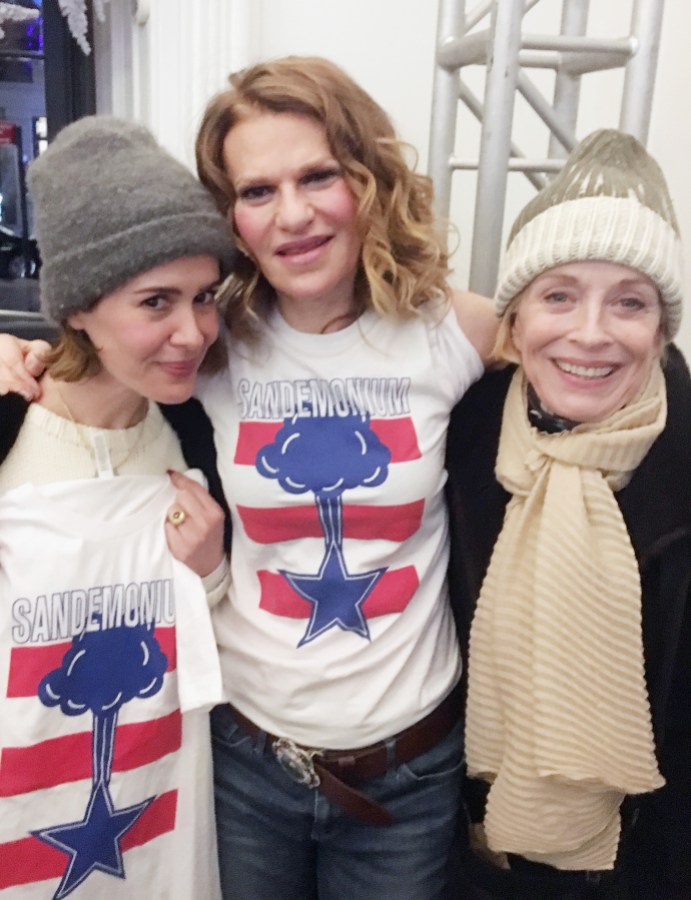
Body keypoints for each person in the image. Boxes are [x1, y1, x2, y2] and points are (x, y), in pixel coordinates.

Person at [1, 57, 498, 899]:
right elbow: (113, 335)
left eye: (317, 176)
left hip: (408, 767)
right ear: (228, 214)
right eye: (257, 190)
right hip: (245, 762)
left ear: (367, 179)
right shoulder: (215, 346)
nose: (294, 214)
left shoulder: (456, 329)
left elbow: (580, 358)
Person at [445, 129, 691, 899]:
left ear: (659, 330)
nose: (590, 333)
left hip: (639, 864)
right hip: (466, 852)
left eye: (628, 302)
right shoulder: (460, 430)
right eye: (558, 295)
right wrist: (77, 372)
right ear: (514, 322)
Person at [0, 115, 236, 898]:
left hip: (161, 833)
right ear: (75, 307)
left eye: (204, 297)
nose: (193, 331)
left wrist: (207, 574)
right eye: (155, 301)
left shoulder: (198, 433)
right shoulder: (8, 428)